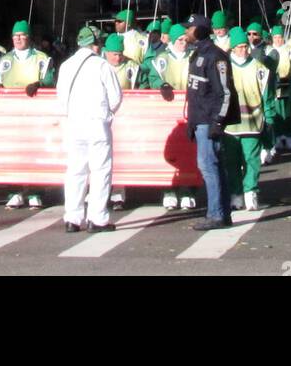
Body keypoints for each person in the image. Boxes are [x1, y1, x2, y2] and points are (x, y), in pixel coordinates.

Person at [56, 25, 123, 232]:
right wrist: (107, 114)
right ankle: (97, 218)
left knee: (75, 171)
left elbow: (60, 97)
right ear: (97, 43)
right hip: (97, 124)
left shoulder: (66, 65)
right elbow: (115, 98)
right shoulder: (102, 66)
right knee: (100, 171)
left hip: (74, 123)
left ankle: (72, 219)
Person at [0, 19, 56, 208]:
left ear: (29, 38)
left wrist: (40, 84)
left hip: (34, 113)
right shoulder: (4, 60)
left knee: (34, 152)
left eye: (22, 35)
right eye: (15, 36)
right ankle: (14, 191)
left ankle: (35, 191)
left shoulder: (42, 58)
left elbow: (50, 78)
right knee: (13, 152)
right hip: (11, 114)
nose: (18, 39)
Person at [185, 12, 238, 230]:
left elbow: (224, 92)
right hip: (200, 118)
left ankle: (216, 214)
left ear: (197, 30)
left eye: (189, 28)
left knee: (208, 166)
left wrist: (218, 121)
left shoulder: (215, 56)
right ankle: (221, 213)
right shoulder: (198, 54)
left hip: (209, 119)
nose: (186, 32)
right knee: (211, 165)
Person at [223, 26, 276, 210]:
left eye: (245, 46)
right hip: (230, 125)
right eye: (239, 47)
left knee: (251, 160)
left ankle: (250, 191)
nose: (243, 50)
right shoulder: (224, 68)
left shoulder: (259, 68)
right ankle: (236, 193)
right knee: (232, 161)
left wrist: (269, 118)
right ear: (232, 48)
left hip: (253, 122)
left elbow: (266, 96)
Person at [144, 22, 196, 209]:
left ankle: (187, 189)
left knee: (188, 151)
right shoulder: (163, 58)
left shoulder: (193, 56)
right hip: (167, 111)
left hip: (189, 110)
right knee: (171, 152)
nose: (183, 42)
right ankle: (168, 190)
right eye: (180, 40)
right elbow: (153, 76)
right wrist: (161, 85)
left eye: (185, 39)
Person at [102, 32, 144, 207]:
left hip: (125, 118)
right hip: (103, 116)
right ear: (106, 53)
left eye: (120, 54)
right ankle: (98, 192)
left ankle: (119, 191)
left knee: (120, 155)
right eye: (114, 54)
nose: (117, 58)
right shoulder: (99, 66)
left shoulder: (132, 66)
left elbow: (142, 86)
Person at [266, 24, 291, 153]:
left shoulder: (289, 50)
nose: (278, 40)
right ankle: (278, 137)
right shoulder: (268, 51)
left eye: (280, 37)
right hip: (274, 83)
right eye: (276, 37)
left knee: (287, 111)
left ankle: (289, 136)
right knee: (277, 110)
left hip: (285, 82)